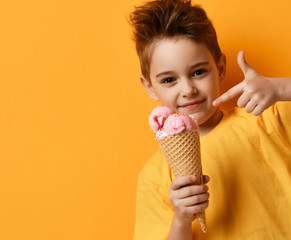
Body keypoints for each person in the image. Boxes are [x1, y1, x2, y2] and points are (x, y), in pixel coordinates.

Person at [128, 0, 291, 239]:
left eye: (198, 72)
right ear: (150, 87)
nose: (187, 90)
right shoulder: (155, 175)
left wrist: (279, 88)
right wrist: (182, 219)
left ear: (220, 68)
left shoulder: (265, 119)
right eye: (168, 80)